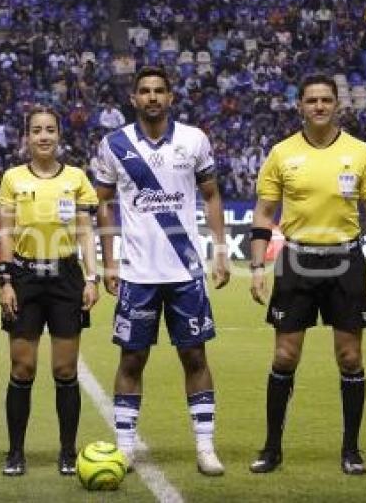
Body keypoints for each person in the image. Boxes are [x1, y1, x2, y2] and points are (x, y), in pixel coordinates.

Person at [247, 74, 366, 475]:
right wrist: (257, 265)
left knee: (349, 357)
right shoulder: (281, 153)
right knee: (284, 355)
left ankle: (351, 450)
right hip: (296, 261)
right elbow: (264, 213)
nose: (319, 106)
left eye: (326, 100)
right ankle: (272, 449)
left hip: (346, 261)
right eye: (312, 100)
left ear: (337, 104)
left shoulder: (360, 152)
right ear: (300, 106)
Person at [93, 66, 230, 476]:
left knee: (195, 355)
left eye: (159, 91)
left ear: (171, 97)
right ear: (133, 99)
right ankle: (126, 448)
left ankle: (205, 448)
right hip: (137, 273)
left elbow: (211, 195)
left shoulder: (194, 140)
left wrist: (220, 250)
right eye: (144, 91)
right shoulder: (114, 144)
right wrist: (110, 259)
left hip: (185, 270)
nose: (152, 97)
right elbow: (101, 203)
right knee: (132, 359)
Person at [0, 105, 100, 476]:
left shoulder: (76, 178)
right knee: (22, 367)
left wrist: (92, 277)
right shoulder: (11, 178)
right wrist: (5, 281)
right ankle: (15, 453)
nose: (43, 136)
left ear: (59, 135)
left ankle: (68, 452)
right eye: (36, 130)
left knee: (64, 368)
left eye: (50, 130)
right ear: (27, 136)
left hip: (66, 279)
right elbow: (5, 233)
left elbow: (86, 231)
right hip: (24, 279)